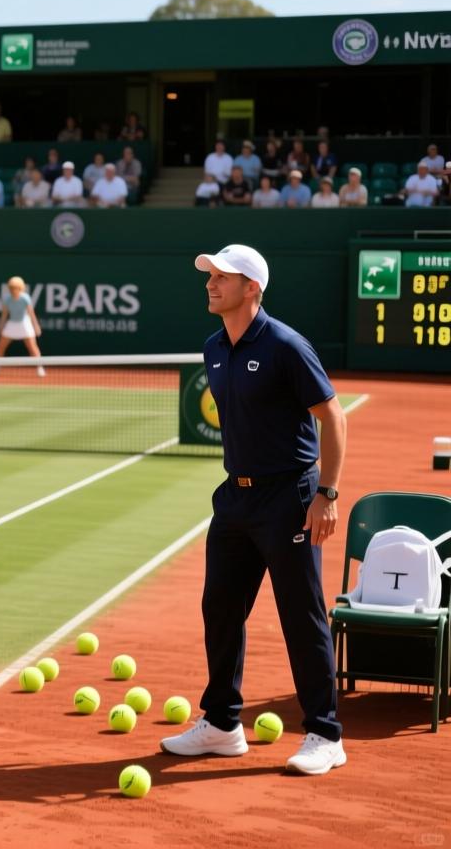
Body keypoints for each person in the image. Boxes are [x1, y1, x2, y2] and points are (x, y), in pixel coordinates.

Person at [161, 243, 347, 776]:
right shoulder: (213, 347)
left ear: (252, 289)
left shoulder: (287, 345)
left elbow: (333, 419)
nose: (210, 284)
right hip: (235, 499)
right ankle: (222, 725)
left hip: (289, 498)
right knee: (219, 608)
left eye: (222, 277)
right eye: (209, 276)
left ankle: (325, 733)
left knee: (300, 613)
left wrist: (326, 494)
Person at [0, 276, 44, 377]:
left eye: (16, 288)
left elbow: (31, 313)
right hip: (12, 325)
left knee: (32, 348)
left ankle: (39, 367)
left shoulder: (25, 298)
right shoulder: (7, 299)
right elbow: (4, 314)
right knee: (0, 347)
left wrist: (36, 326)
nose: (13, 290)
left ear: (21, 288)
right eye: (11, 288)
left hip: (24, 324)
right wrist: (1, 327)